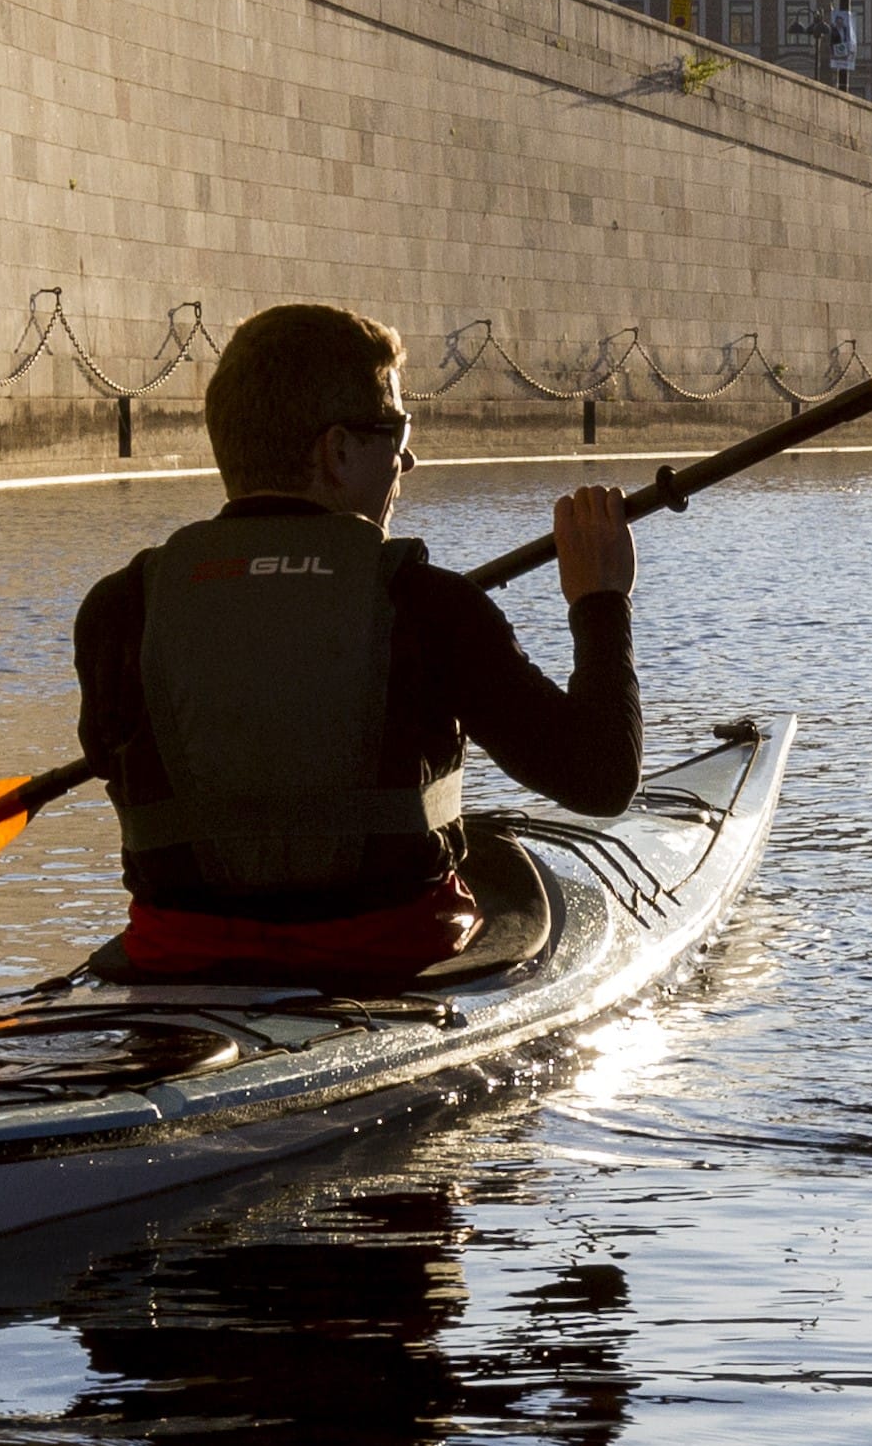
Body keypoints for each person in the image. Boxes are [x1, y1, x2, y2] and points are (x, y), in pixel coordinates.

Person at [75, 301, 640, 985]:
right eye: (394, 432)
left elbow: (113, 759)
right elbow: (601, 780)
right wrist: (600, 601)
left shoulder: (118, 606)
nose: (408, 457)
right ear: (336, 451)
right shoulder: (427, 603)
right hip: (389, 955)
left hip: (178, 958)